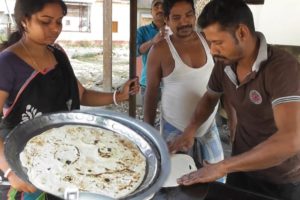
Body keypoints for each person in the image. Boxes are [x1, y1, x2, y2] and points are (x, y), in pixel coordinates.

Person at [0, 0, 139, 199]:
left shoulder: (58, 54)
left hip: (66, 155)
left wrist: (119, 96)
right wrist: (10, 171)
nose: (55, 28)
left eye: (59, 21)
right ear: (24, 21)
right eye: (46, 21)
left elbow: (80, 94)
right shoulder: (7, 63)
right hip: (25, 163)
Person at [169, 0, 300, 199]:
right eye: (210, 42)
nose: (212, 51)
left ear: (242, 33)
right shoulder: (224, 64)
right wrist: (191, 130)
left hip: (279, 178)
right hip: (241, 166)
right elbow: (209, 98)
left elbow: (291, 139)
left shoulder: (282, 68)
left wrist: (222, 166)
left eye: (218, 42)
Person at [143, 0, 224, 181]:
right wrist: (148, 131)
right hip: (174, 130)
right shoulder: (160, 50)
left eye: (188, 15)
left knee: (215, 180)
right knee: (174, 183)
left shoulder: (208, 41)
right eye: (176, 17)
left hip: (207, 128)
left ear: (195, 16)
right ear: (166, 19)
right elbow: (151, 93)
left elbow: (224, 81)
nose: (184, 22)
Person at [136, 0, 167, 105]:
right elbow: (135, 52)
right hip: (148, 82)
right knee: (148, 118)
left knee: (169, 118)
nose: (160, 9)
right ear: (151, 12)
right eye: (156, 6)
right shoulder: (142, 31)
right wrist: (153, 41)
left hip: (170, 82)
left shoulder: (173, 30)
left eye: (163, 6)